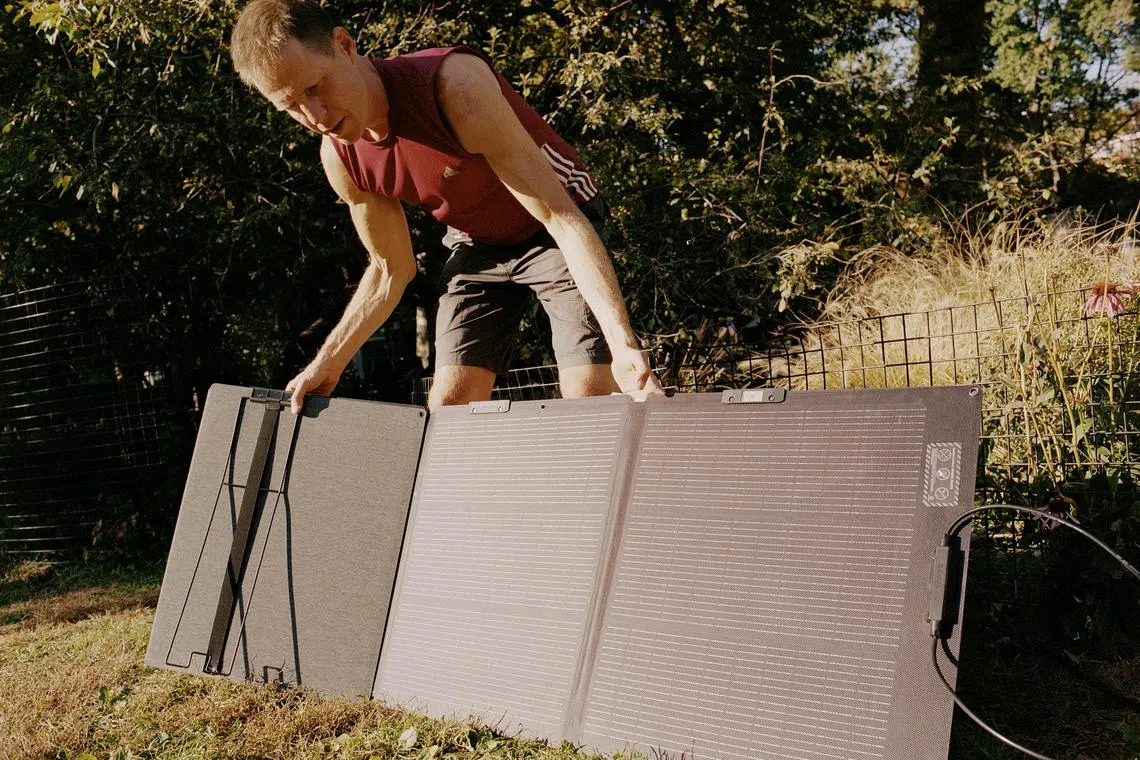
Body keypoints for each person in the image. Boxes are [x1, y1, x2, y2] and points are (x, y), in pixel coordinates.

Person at [229, 0, 663, 413]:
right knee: (448, 408)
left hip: (554, 225)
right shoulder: (340, 157)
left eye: (315, 86)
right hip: (476, 242)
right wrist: (328, 363)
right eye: (291, 106)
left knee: (587, 394)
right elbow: (390, 269)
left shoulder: (454, 86)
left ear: (344, 45)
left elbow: (561, 218)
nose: (315, 115)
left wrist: (622, 344)